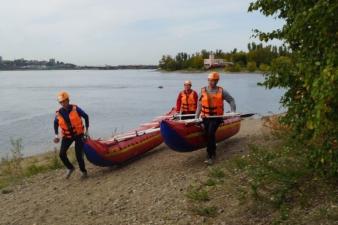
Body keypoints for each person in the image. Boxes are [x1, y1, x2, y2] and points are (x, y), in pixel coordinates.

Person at [196, 72, 236, 165]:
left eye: (214, 81)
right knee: (208, 134)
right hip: (205, 117)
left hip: (216, 118)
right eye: (210, 80)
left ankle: (209, 156)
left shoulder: (222, 91)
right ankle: (213, 151)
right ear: (208, 80)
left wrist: (233, 110)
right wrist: (196, 117)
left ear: (217, 81)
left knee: (210, 133)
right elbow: (199, 105)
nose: (211, 82)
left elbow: (231, 100)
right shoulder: (202, 91)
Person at [53, 91, 89, 179]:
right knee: (61, 154)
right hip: (67, 136)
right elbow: (55, 123)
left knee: (78, 155)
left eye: (64, 101)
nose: (63, 103)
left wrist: (86, 131)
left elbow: (86, 116)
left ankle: (83, 172)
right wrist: (56, 135)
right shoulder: (58, 113)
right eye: (61, 102)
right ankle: (70, 168)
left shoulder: (75, 109)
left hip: (78, 135)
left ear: (68, 100)